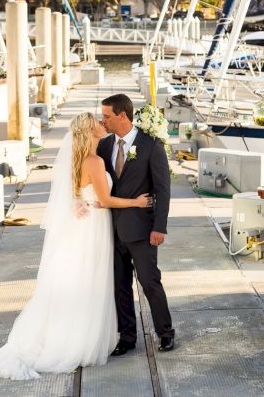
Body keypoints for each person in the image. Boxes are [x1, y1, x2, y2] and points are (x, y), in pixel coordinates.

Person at [0, 112, 152, 380]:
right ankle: (79, 339)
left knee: (80, 277)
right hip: (94, 225)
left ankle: (75, 333)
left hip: (84, 224)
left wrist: (79, 201)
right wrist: (136, 203)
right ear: (90, 131)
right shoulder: (93, 161)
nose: (102, 122)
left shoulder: (78, 158)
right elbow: (105, 200)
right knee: (89, 280)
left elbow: (76, 192)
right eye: (97, 120)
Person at [98, 93, 174, 355]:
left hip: (142, 229)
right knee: (120, 286)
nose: (103, 120)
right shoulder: (104, 146)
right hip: (110, 229)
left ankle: (165, 332)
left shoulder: (151, 145)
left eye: (107, 116)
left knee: (149, 281)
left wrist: (159, 227)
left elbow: (162, 189)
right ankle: (127, 337)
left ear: (122, 115)